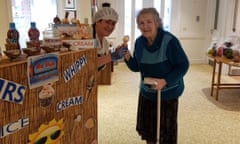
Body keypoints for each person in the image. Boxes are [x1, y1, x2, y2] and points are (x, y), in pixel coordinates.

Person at [123, 8, 189, 144]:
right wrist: (127, 57)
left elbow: (183, 65)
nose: (145, 26)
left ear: (157, 23)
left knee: (165, 133)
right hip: (147, 93)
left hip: (166, 94)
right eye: (141, 23)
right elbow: (137, 67)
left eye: (149, 22)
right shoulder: (140, 42)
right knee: (150, 132)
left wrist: (165, 81)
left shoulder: (169, 41)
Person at [92, 3, 119, 70]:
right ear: (97, 21)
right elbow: (88, 64)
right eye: (107, 22)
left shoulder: (105, 43)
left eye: (113, 24)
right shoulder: (86, 38)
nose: (110, 27)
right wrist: (114, 55)